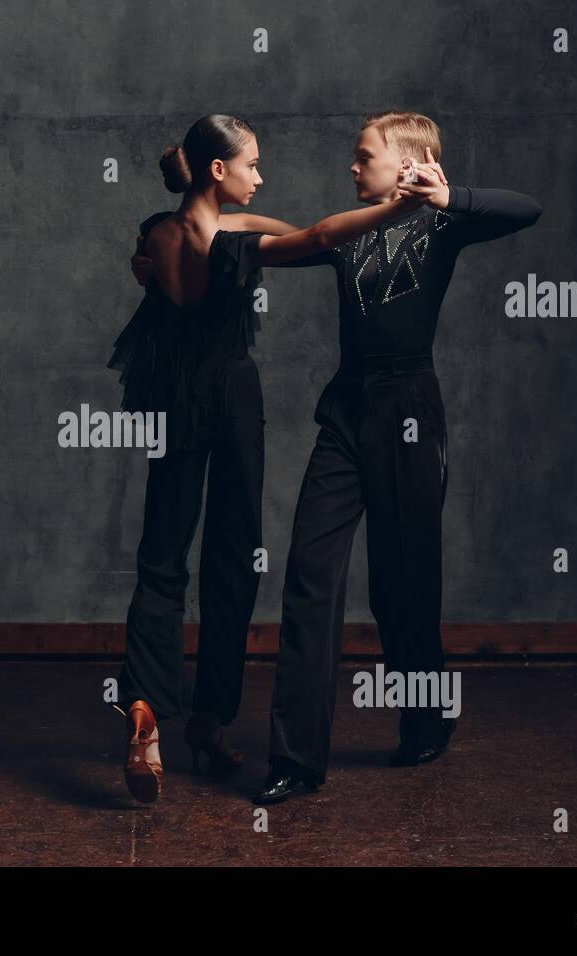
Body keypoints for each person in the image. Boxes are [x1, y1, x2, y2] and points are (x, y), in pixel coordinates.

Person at [129, 111, 543, 805]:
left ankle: (427, 715)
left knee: (401, 583)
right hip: (347, 411)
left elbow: (525, 210)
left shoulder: (441, 224)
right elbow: (278, 244)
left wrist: (447, 197)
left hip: (409, 411)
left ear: (408, 161)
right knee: (309, 577)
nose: (351, 168)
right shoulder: (347, 235)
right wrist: (163, 249)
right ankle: (295, 759)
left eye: (363, 157)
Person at [110, 113, 425, 804]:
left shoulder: (157, 234)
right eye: (251, 165)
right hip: (229, 399)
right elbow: (313, 237)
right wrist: (395, 207)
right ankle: (211, 720)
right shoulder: (237, 236)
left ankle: (144, 707)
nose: (260, 176)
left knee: (161, 555)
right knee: (234, 554)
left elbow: (157, 289)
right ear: (218, 170)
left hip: (170, 399)